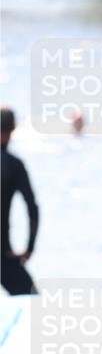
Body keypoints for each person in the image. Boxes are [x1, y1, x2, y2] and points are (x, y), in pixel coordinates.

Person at [1, 107, 39, 296]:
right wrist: (29, 248)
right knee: (34, 302)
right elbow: (32, 208)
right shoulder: (14, 166)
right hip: (3, 255)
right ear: (12, 129)